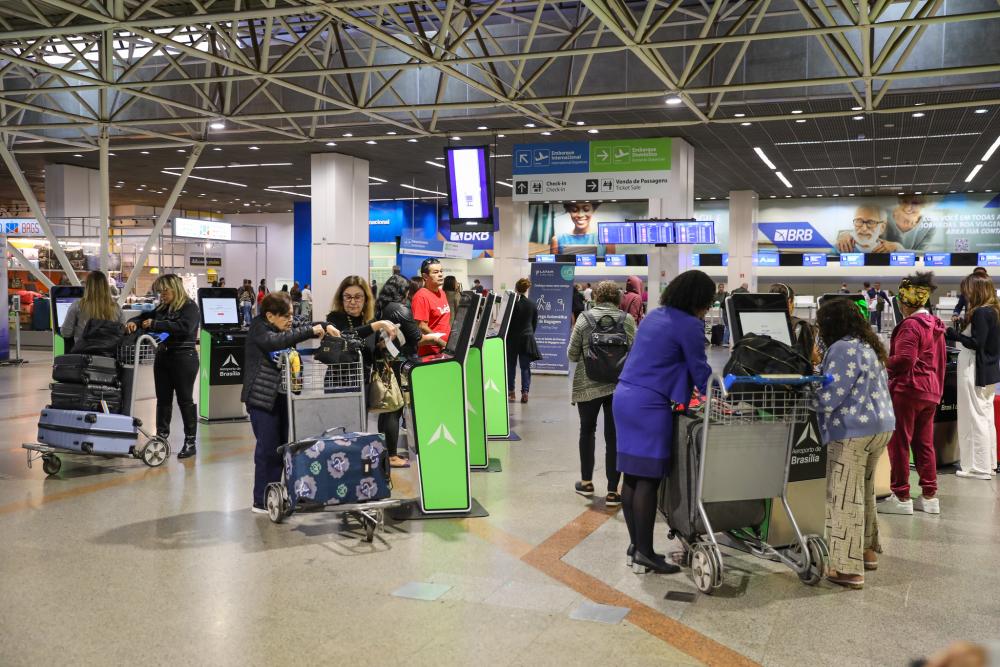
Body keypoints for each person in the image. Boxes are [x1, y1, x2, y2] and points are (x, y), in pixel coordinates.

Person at [613, 270, 714, 575]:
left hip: (625, 396)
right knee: (648, 479)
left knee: (632, 477)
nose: (708, 308)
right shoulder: (690, 325)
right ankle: (645, 553)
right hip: (649, 404)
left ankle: (636, 546)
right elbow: (700, 370)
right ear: (699, 299)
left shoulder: (656, 315)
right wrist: (723, 391)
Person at [815, 298, 896, 589]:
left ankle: (847, 569)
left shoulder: (841, 348)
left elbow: (830, 396)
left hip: (852, 430)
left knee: (844, 496)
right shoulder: (868, 345)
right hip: (881, 427)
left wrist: (803, 393)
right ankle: (866, 552)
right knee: (863, 491)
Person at [243, 291, 339, 513]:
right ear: (270, 316)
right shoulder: (259, 328)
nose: (290, 320)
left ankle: (279, 493)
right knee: (267, 450)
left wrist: (325, 326)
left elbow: (303, 325)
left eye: (292, 315)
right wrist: (310, 331)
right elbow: (276, 341)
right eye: (286, 316)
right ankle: (261, 500)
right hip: (261, 399)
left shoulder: (280, 324)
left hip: (282, 396)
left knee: (282, 448)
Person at [880, 272, 946, 516]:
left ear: (905, 300)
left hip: (908, 390)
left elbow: (905, 360)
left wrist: (881, 361)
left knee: (899, 444)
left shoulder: (911, 325)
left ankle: (901, 496)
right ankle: (929, 497)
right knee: (924, 445)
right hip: (930, 391)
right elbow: (940, 362)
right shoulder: (936, 325)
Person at [567, 280, 635, 506]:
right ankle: (613, 492)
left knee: (587, 431)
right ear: (618, 298)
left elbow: (572, 354)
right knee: (614, 437)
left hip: (588, 385)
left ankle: (586, 482)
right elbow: (635, 353)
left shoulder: (584, 319)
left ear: (596, 297)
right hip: (618, 387)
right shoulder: (627, 320)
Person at [125, 274, 201, 459]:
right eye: (160, 292)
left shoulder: (190, 307)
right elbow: (143, 317)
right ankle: (161, 438)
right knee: (163, 400)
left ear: (175, 288)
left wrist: (156, 324)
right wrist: (133, 323)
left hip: (184, 358)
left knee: (185, 400)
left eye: (165, 291)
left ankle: (190, 441)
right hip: (163, 357)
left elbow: (184, 327)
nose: (162, 295)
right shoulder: (162, 308)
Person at [374, 275, 443, 468]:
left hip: (385, 361)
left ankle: (385, 451)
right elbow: (417, 337)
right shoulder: (400, 309)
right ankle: (392, 456)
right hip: (397, 362)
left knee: (386, 408)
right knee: (395, 408)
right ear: (404, 292)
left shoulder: (383, 307)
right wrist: (436, 338)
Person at [947, 273, 1000, 480]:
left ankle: (978, 467)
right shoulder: (994, 310)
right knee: (985, 417)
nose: (965, 294)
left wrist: (954, 335)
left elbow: (976, 343)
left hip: (974, 369)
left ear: (976, 290)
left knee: (974, 418)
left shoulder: (980, 313)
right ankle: (988, 463)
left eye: (967, 290)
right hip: (988, 371)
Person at [326, 276, 398, 391]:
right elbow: (347, 337)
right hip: (340, 384)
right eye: (348, 297)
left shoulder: (370, 321)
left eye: (358, 297)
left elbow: (372, 354)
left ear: (366, 299)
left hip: (366, 383)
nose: (352, 302)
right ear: (341, 298)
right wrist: (378, 325)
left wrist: (383, 345)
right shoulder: (334, 318)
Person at [61, 270, 123, 351]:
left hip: (83, 353)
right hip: (108, 354)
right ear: (106, 286)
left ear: (87, 286)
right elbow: (122, 331)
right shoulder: (117, 308)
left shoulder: (78, 305)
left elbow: (66, 332)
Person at [768, 283, 820, 367]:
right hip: (793, 373)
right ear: (789, 302)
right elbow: (810, 358)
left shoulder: (762, 322)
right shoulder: (801, 325)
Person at [505, 278, 539, 404]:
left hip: (512, 339)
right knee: (525, 367)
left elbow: (506, 322)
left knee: (511, 365)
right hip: (527, 338)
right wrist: (529, 334)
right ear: (526, 289)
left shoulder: (511, 304)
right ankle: (525, 392)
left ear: (516, 288)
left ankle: (511, 392)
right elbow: (534, 324)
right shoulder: (532, 304)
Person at [411, 259, 450, 356]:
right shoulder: (421, 296)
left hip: (445, 349)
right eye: (435, 272)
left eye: (441, 271)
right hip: (431, 352)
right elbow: (422, 326)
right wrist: (441, 343)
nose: (440, 275)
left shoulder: (442, 293)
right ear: (425, 276)